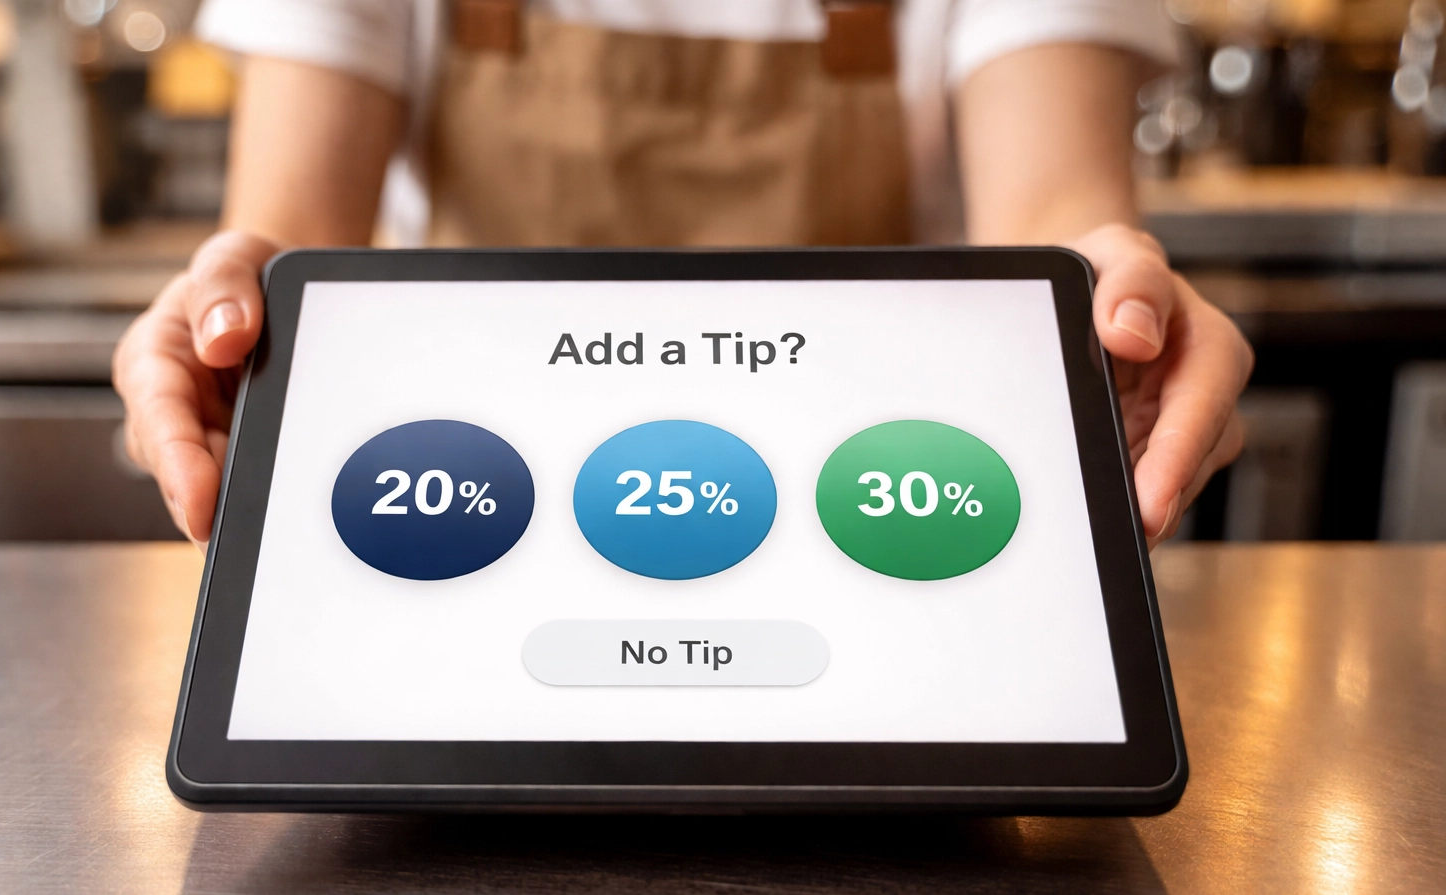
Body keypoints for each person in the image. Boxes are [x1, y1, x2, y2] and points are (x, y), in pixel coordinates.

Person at [113, 0, 1251, 548]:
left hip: (859, 524)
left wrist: (1101, 301)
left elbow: (1052, 228)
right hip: (466, 515)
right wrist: (242, 313)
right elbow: (295, 238)